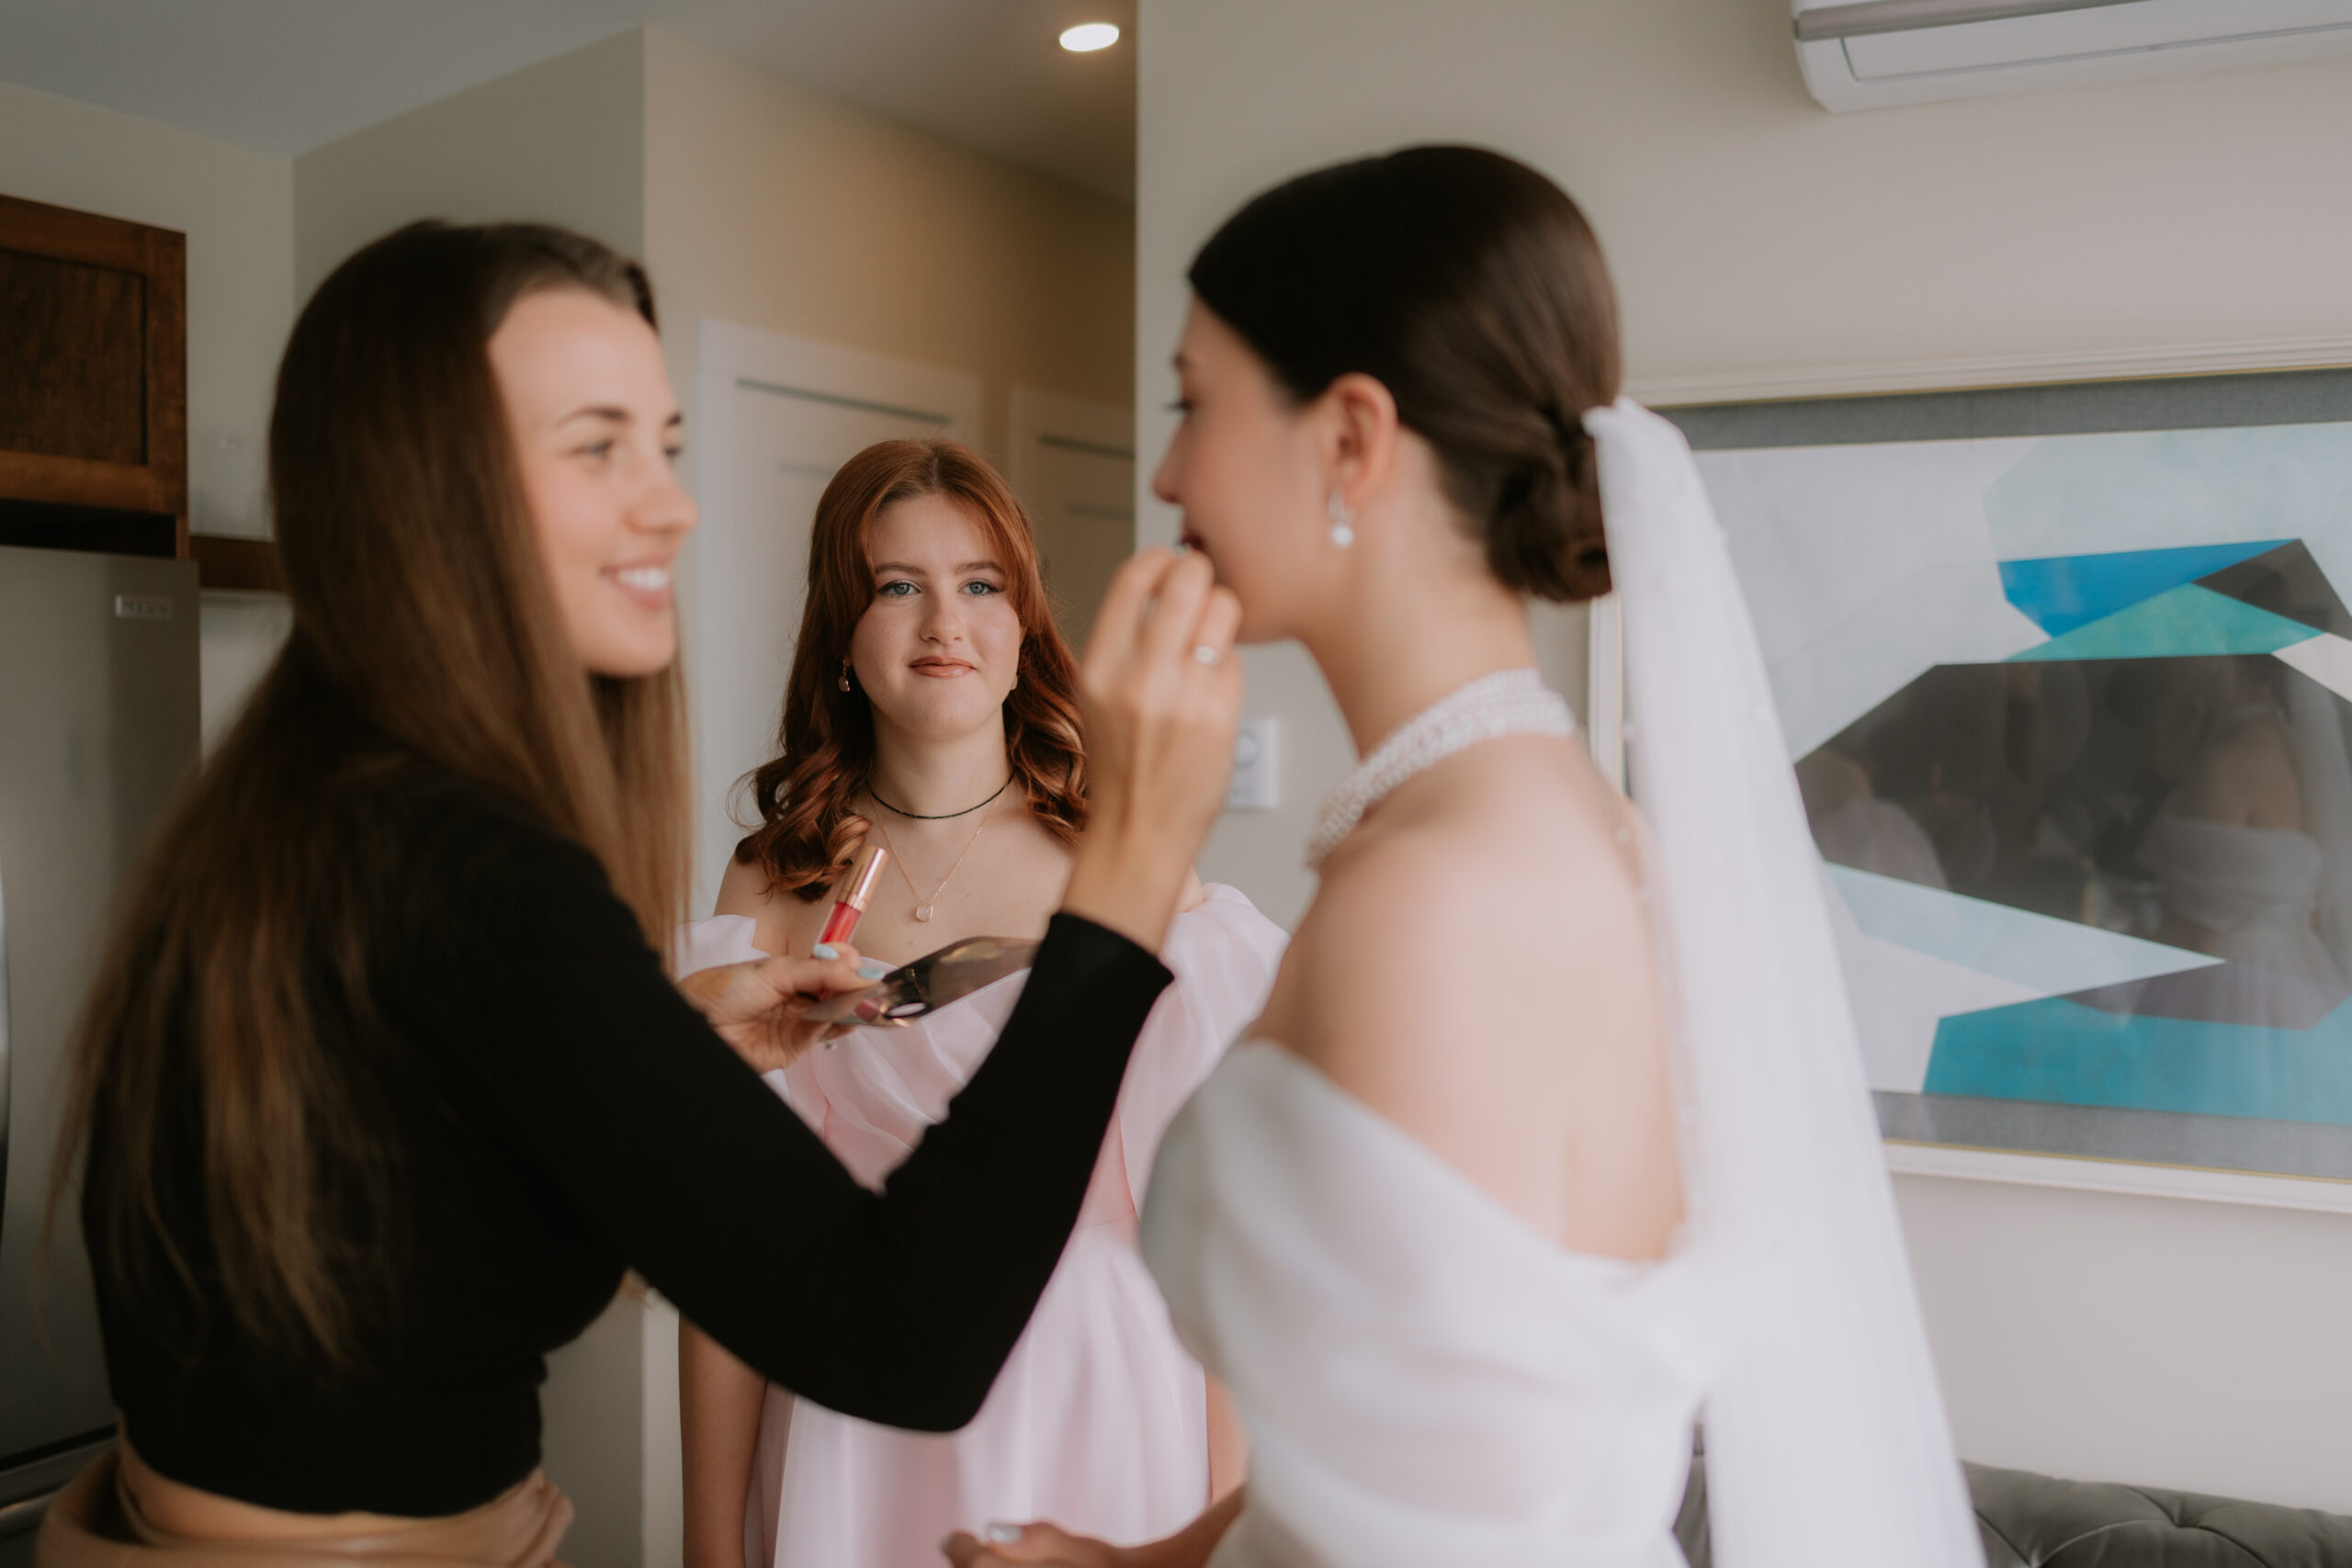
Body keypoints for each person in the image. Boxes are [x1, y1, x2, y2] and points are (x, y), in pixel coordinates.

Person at [40, 220, 1242, 1565]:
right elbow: (904, 1340)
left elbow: (409, 1221)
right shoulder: (471, 868)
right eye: (598, 443)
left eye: (665, 444)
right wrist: (1133, 871)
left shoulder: (306, 805)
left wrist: (654, 1046)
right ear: (427, 487)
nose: (672, 501)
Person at [947, 147, 1980, 1568]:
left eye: (1195, 402)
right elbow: (1414, 1430)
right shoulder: (1493, 826)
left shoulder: (1444, 895)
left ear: (1352, 437)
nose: (1168, 465)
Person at [675, 438, 1279, 1568]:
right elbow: (726, 1253)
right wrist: (712, 1548)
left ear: (1021, 631)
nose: (943, 623)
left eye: (980, 586)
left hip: (1099, 1391)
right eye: (898, 587)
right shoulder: (769, 885)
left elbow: (1229, 1227)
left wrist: (1223, 1519)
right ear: (842, 640)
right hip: (853, 1401)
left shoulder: (1125, 863)